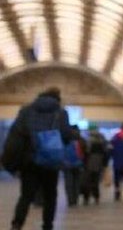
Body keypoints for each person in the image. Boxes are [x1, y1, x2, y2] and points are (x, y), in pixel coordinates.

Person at [5, 87, 71, 230]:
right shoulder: (61, 113)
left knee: (26, 196)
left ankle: (17, 224)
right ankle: (47, 225)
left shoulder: (26, 111)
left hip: (29, 161)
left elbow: (16, 136)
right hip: (51, 161)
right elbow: (66, 135)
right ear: (57, 98)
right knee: (50, 196)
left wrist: (12, 161)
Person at [81, 124, 109, 205]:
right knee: (96, 181)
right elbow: (106, 152)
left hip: (89, 163)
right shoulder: (102, 139)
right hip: (99, 163)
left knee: (87, 181)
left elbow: (86, 152)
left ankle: (86, 198)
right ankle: (96, 197)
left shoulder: (87, 139)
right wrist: (104, 163)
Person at [63, 124, 86, 206]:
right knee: (76, 183)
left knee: (68, 183)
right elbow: (86, 152)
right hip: (78, 164)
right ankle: (75, 200)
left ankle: (70, 200)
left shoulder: (65, 139)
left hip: (67, 164)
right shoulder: (81, 140)